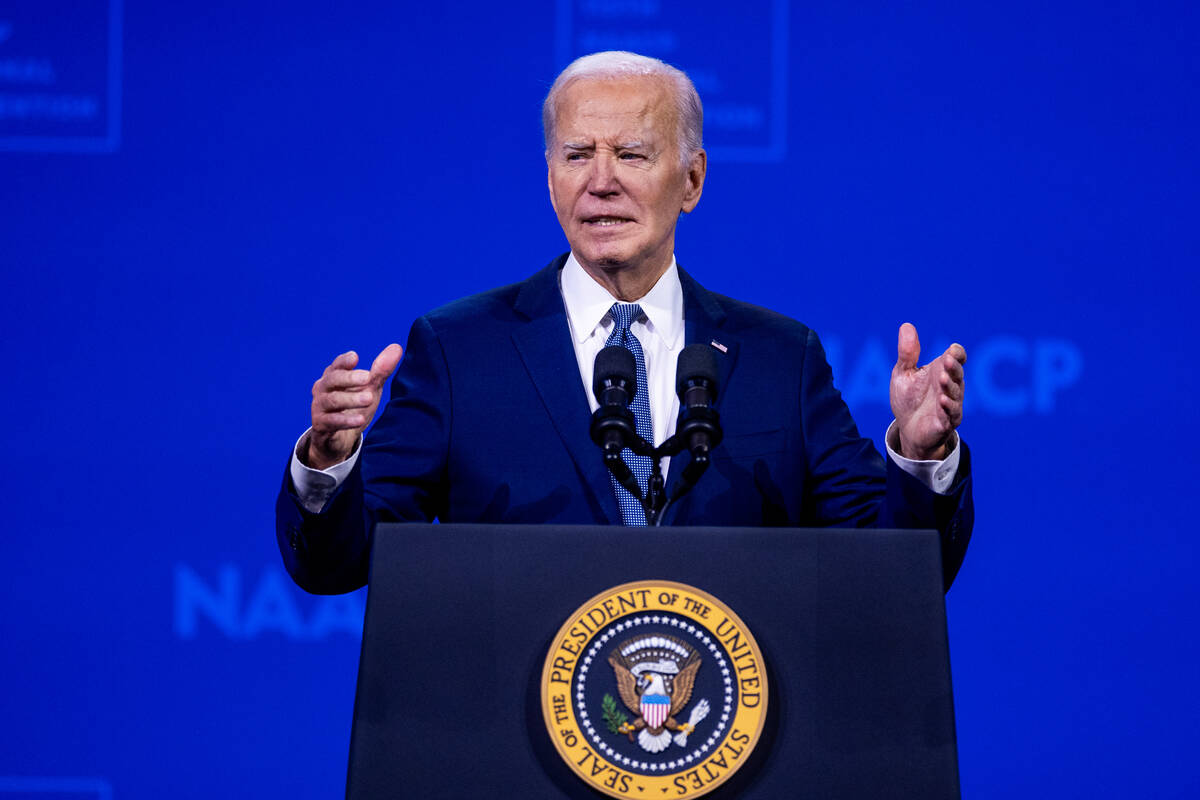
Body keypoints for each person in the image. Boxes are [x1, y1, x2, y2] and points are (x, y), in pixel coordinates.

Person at [275, 51, 972, 595]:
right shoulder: (459, 350)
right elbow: (341, 563)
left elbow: (892, 572)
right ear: (550, 179)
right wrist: (331, 462)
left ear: (692, 180)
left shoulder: (781, 358)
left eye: (631, 154)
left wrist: (918, 458)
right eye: (577, 155)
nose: (600, 181)